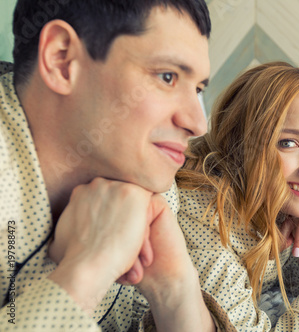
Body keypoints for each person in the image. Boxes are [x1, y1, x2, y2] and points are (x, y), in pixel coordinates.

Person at [0, 1, 234, 331]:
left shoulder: (153, 192)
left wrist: (177, 292)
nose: (199, 124)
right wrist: (84, 274)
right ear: (62, 60)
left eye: (197, 90)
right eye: (167, 77)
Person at [176, 62, 299, 331]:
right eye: (288, 143)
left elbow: (295, 292)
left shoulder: (277, 202)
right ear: (241, 144)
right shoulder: (202, 215)